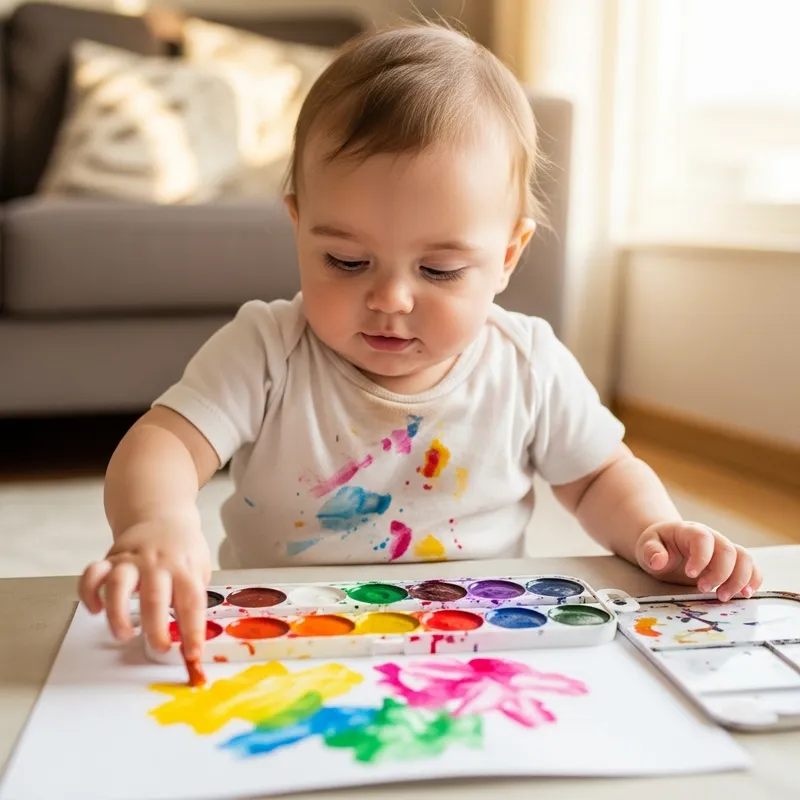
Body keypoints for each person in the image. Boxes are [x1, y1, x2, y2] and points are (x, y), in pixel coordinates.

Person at [78, 23, 761, 663]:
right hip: (286, 635)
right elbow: (164, 443)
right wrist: (158, 521)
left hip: (471, 637)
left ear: (507, 256)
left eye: (439, 270)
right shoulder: (266, 348)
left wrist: (653, 529)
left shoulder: (526, 363)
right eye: (346, 262)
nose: (390, 299)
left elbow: (598, 476)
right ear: (299, 224)